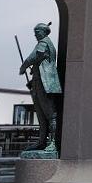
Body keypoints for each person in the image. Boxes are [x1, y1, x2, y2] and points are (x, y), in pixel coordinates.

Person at [19, 22, 62, 152]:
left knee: (49, 113)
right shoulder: (42, 42)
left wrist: (23, 66)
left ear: (44, 32)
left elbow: (34, 56)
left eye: (37, 32)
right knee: (41, 115)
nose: (35, 35)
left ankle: (53, 142)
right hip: (37, 83)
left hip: (45, 84)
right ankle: (42, 141)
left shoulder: (44, 42)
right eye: (35, 32)